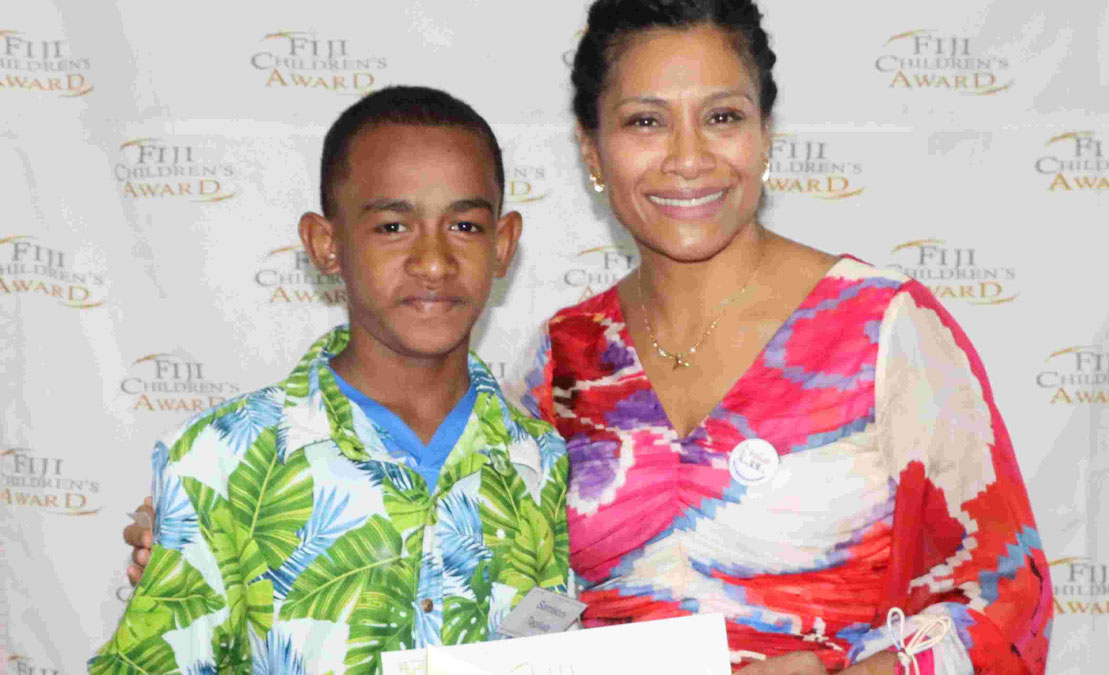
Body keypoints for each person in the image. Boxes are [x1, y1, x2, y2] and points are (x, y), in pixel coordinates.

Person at [123, 1, 1054, 673]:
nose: (687, 158)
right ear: (591, 150)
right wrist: (217, 532)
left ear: (766, 134)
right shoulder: (562, 363)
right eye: (646, 121)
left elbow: (1008, 598)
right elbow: (467, 570)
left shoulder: (884, 329)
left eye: (722, 116)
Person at [92, 86, 570, 673]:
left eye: (465, 225)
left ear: (502, 245)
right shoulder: (218, 460)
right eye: (392, 227)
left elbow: (551, 644)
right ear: (326, 245)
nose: (433, 262)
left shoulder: (538, 459)